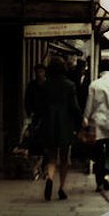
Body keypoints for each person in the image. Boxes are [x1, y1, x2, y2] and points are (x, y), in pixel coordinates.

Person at [38, 56, 82, 201]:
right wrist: (81, 121)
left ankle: (50, 178)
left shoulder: (45, 85)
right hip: (65, 125)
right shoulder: (69, 85)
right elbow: (74, 107)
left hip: (49, 124)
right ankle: (61, 188)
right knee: (64, 158)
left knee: (51, 157)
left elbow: (41, 108)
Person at [83, 59, 109, 191]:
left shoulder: (94, 85)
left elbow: (89, 104)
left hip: (97, 122)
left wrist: (85, 117)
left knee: (98, 152)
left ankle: (99, 181)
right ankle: (107, 171)